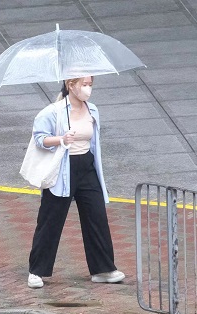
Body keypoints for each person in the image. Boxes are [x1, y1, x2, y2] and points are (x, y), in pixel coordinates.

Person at [27, 76, 125, 289]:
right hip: (63, 168)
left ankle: (103, 269)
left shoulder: (93, 110)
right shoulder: (53, 112)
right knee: (51, 219)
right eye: (84, 85)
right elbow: (39, 138)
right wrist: (61, 139)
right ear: (71, 85)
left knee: (96, 216)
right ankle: (36, 271)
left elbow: (93, 142)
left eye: (90, 84)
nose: (88, 89)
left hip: (87, 168)